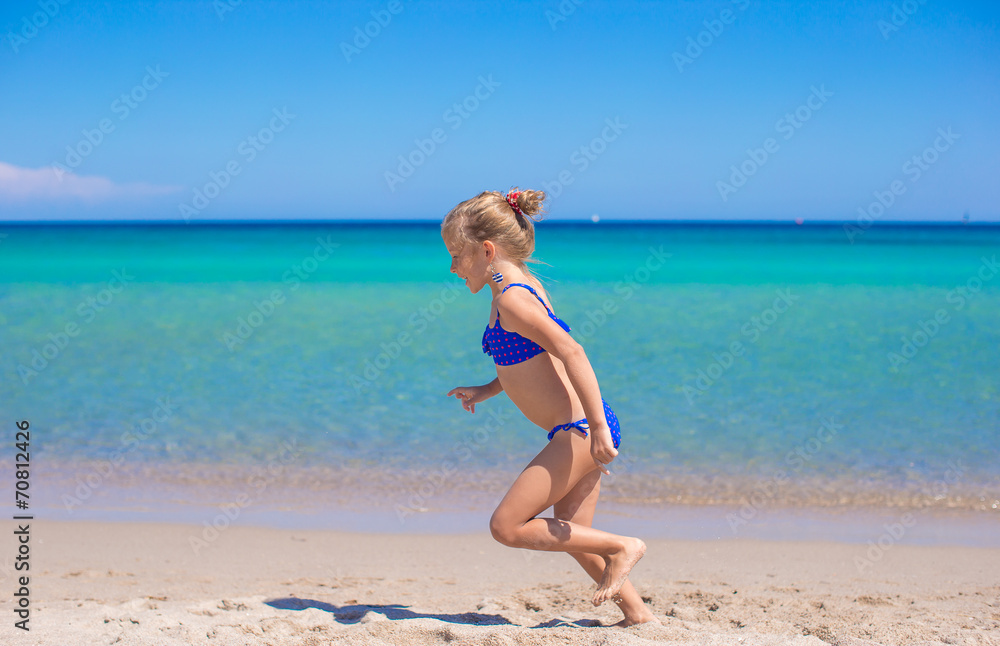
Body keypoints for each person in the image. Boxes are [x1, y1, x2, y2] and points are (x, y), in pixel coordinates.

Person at [441, 188, 658, 627]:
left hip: (579, 428)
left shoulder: (511, 299)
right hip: (584, 427)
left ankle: (623, 546)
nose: (452, 267)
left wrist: (595, 427)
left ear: (486, 250)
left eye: (456, 255)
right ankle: (638, 615)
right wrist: (487, 389)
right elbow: (530, 363)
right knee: (574, 535)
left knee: (507, 526)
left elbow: (572, 352)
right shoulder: (516, 286)